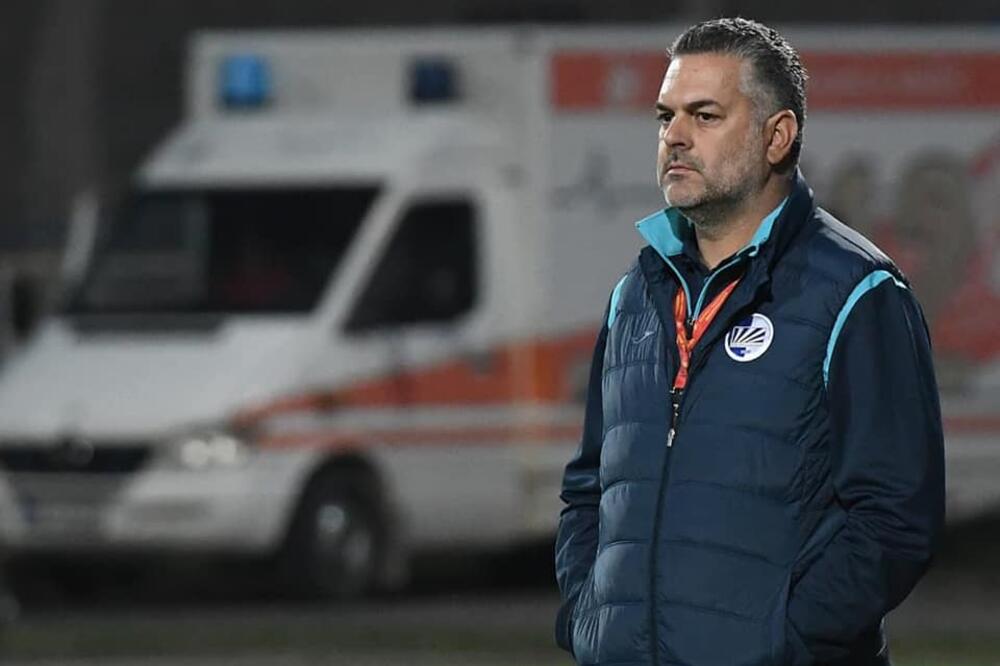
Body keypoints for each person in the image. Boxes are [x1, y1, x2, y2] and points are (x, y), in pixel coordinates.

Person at [554, 18, 944, 666]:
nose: (675, 136)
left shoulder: (857, 292)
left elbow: (896, 518)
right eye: (666, 116)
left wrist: (780, 642)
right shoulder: (636, 295)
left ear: (777, 136)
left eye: (705, 115)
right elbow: (590, 489)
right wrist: (589, 618)